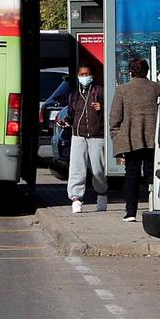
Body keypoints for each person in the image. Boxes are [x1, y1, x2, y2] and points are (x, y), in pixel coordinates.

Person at [110, 56, 160, 221]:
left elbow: (115, 119)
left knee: (131, 175)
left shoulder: (123, 90)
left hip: (131, 139)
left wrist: (117, 139)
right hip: (152, 139)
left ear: (130, 72)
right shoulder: (156, 88)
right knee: (151, 174)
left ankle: (131, 212)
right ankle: (155, 207)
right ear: (147, 71)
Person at [65, 65, 107, 213]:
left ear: (92, 75)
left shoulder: (99, 91)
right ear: (78, 75)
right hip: (78, 135)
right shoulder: (74, 94)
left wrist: (101, 108)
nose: (85, 76)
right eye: (82, 74)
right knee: (77, 167)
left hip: (96, 135)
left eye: (88, 74)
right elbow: (70, 114)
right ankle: (76, 199)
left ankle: (102, 194)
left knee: (98, 168)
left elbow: (109, 112)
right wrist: (67, 121)